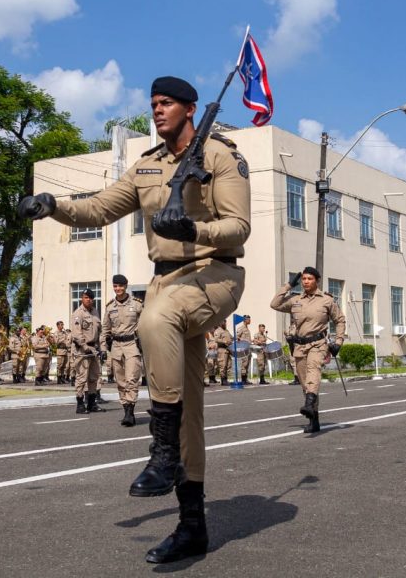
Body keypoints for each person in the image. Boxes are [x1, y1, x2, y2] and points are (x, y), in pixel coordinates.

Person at [17, 75, 250, 564]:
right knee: (189, 410)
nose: (157, 110)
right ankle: (192, 526)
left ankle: (161, 452)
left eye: (167, 103)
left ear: (190, 109)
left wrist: (193, 228)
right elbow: (100, 208)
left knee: (154, 319)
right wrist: (53, 205)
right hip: (166, 279)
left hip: (216, 273)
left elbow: (239, 225)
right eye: (153, 104)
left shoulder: (220, 157)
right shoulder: (146, 166)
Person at [270, 266, 346, 434]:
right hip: (299, 346)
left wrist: (338, 341)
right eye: (303, 279)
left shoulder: (326, 300)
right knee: (306, 383)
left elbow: (340, 320)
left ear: (317, 281)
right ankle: (313, 419)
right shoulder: (295, 300)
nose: (305, 281)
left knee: (313, 370)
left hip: (318, 344)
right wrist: (288, 285)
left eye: (309, 279)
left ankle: (310, 403)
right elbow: (274, 304)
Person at [102, 274, 144, 427]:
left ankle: (130, 412)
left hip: (132, 345)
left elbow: (145, 324)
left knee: (131, 379)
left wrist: (143, 341)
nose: (118, 289)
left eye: (120, 286)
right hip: (116, 346)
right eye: (115, 286)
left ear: (126, 286)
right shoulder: (109, 307)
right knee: (120, 381)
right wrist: (103, 348)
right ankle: (125, 408)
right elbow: (105, 329)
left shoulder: (137, 304)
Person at [71, 290, 104, 414]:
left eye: (90, 298)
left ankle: (91, 403)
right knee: (81, 378)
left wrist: (102, 348)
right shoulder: (78, 313)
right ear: (82, 298)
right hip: (82, 350)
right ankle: (80, 404)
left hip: (94, 349)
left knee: (94, 377)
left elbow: (100, 332)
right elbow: (76, 333)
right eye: (86, 297)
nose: (88, 300)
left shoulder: (95, 312)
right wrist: (85, 346)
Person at [213, 320, 232, 386]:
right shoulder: (218, 330)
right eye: (223, 322)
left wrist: (235, 339)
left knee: (228, 365)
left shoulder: (226, 331)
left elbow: (231, 337)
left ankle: (226, 379)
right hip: (222, 350)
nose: (225, 323)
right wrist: (224, 341)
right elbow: (216, 339)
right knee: (222, 365)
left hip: (227, 350)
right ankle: (223, 380)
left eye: (225, 322)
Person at [236, 314, 253, 385]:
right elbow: (236, 336)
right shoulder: (241, 328)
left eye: (249, 319)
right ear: (245, 320)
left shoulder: (247, 328)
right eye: (248, 319)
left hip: (248, 348)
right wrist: (242, 341)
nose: (250, 320)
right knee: (244, 363)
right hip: (243, 348)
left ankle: (245, 378)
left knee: (247, 363)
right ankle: (243, 379)